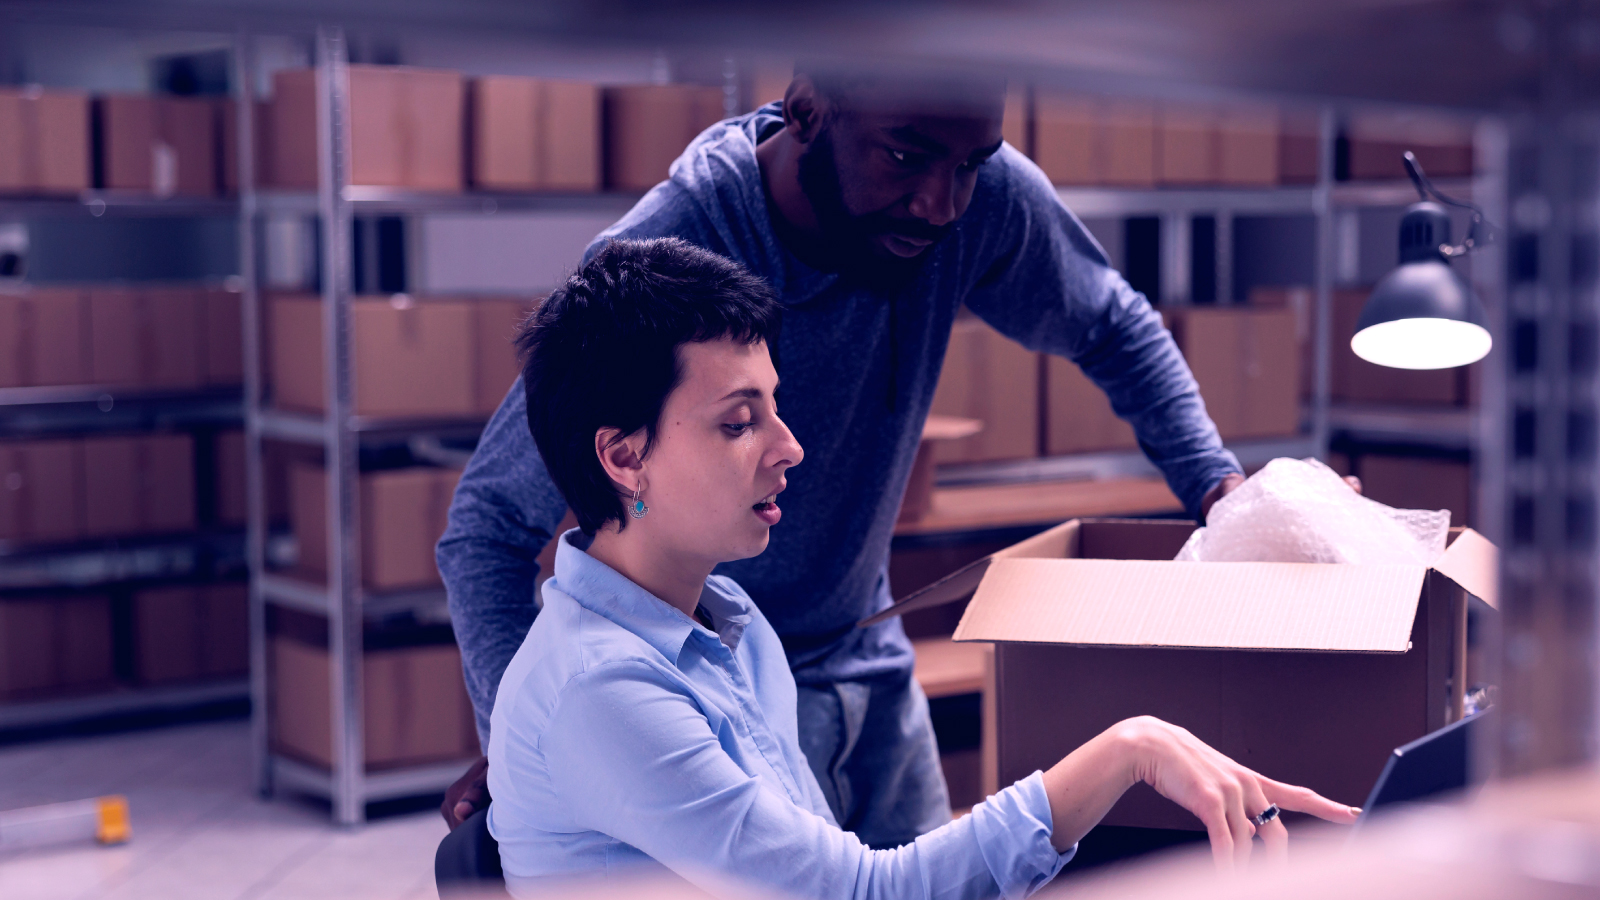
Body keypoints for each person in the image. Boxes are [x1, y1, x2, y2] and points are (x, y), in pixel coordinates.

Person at [441, 64, 1261, 843]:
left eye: (971, 163)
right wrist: (523, 735)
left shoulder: (974, 198)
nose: (941, 204)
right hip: (703, 695)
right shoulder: (675, 256)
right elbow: (487, 524)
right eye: (905, 156)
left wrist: (1223, 491)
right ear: (807, 110)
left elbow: (1111, 323)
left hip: (866, 657)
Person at [486, 237, 1358, 898]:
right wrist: (1126, 750)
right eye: (737, 421)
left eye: (775, 409)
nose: (790, 448)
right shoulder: (602, 690)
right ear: (624, 457)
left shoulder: (727, 626)